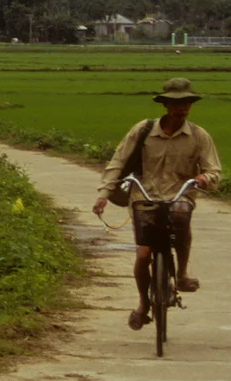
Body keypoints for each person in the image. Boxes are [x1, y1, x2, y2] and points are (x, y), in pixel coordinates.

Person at [91, 78, 222, 332]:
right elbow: (118, 161)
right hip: (145, 195)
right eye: (175, 103)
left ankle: (182, 274)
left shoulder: (198, 136)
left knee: (181, 217)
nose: (180, 108)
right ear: (164, 104)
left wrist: (204, 178)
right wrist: (104, 194)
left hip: (179, 194)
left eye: (186, 103)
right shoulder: (143, 130)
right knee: (143, 254)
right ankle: (143, 304)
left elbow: (213, 169)